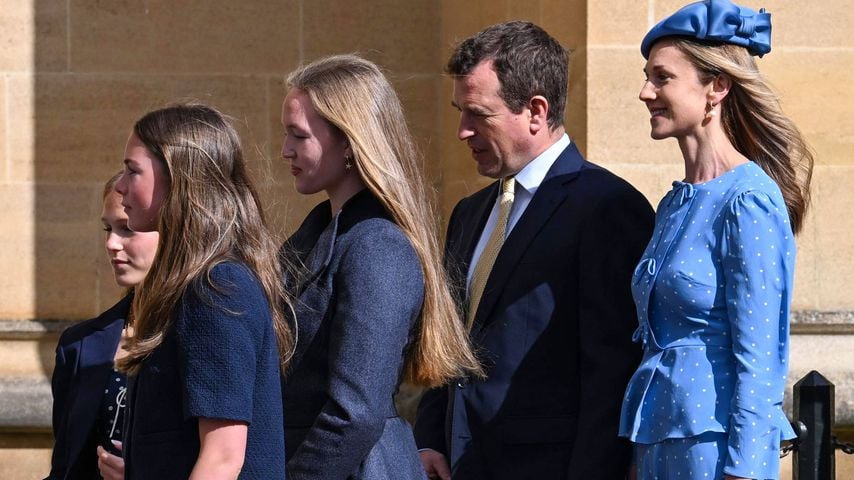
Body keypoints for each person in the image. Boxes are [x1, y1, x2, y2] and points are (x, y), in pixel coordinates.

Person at [413, 21, 655, 480]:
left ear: (536, 111)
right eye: (459, 112)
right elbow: (448, 344)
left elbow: (612, 373)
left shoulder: (606, 207)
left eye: (478, 114)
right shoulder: (468, 214)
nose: (462, 131)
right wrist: (428, 437)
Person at [618, 1, 814, 478]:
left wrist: (744, 469)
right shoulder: (674, 203)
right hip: (659, 441)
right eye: (647, 76)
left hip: (717, 452)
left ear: (717, 88)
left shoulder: (748, 200)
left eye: (662, 77)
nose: (646, 92)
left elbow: (762, 359)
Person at [278, 54, 482, 480]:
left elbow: (356, 412)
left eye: (299, 136)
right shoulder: (315, 235)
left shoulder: (377, 246)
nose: (285, 151)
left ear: (349, 142)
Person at [114, 103, 293, 479]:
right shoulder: (191, 286)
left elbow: (223, 457)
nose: (120, 185)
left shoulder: (218, 289)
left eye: (133, 171)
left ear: (178, 178)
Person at [46, 172, 158, 480]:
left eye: (127, 228)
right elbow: (67, 468)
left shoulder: (208, 333)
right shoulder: (79, 344)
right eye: (108, 228)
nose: (111, 243)